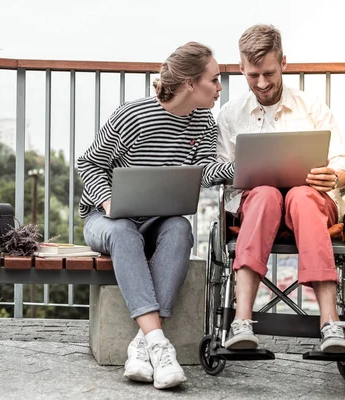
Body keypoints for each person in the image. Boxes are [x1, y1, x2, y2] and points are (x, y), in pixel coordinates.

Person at [77, 42, 233, 389]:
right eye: (215, 79)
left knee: (180, 228)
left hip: (159, 219)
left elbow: (205, 170)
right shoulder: (132, 117)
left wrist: (239, 169)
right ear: (191, 83)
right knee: (123, 234)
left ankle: (142, 344)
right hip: (107, 221)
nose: (220, 87)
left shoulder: (203, 122)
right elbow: (88, 163)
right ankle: (161, 347)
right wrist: (107, 204)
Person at [216, 25, 345, 353]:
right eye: (253, 76)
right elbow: (221, 171)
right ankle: (241, 322)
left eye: (269, 72)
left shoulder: (312, 107)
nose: (262, 83)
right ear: (241, 69)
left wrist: (335, 176)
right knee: (265, 193)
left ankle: (330, 323)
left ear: (284, 62)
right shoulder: (230, 115)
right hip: (257, 206)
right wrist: (248, 175)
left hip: (309, 204)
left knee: (302, 196)